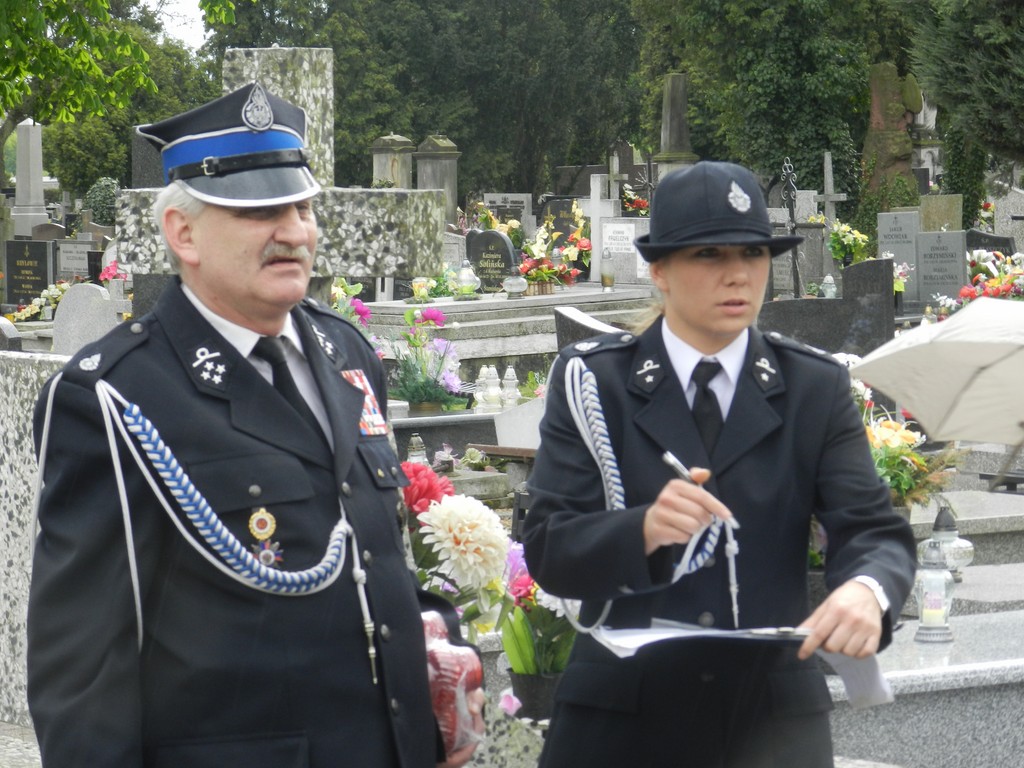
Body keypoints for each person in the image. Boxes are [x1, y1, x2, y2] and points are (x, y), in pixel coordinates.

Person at [27, 83, 482, 768]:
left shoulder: (346, 353)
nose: (293, 232)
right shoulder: (114, 397)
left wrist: (440, 653)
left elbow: (370, 559)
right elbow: (81, 677)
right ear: (183, 233)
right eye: (259, 210)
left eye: (302, 207)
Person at [522, 161, 916, 768]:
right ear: (659, 270)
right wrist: (642, 529)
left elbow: (873, 531)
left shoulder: (811, 386)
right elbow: (549, 547)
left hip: (770, 727)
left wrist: (867, 591)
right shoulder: (597, 382)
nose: (738, 274)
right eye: (709, 254)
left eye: (754, 253)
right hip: (623, 726)